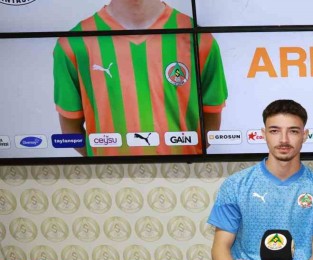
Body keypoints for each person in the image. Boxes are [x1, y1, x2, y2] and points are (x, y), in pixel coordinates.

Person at [53, 0, 228, 156]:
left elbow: (211, 123)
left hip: (182, 178)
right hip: (111, 179)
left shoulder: (201, 41)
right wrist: (108, 168)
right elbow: (71, 130)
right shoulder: (72, 45)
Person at [208, 99, 313, 260]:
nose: (284, 140)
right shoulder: (235, 186)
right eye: (275, 131)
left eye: (293, 131)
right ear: (264, 134)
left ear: (304, 135)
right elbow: (220, 249)